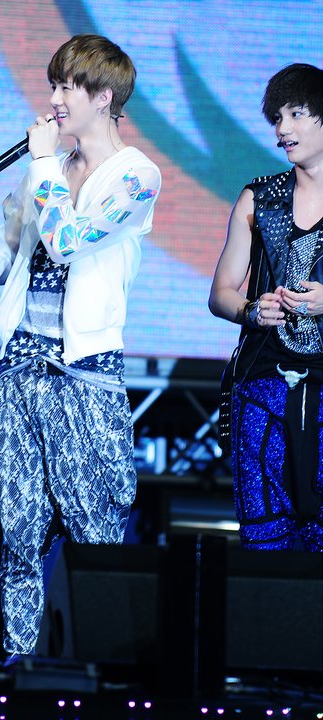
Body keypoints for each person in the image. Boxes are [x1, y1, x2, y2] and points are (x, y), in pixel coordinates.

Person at [0, 33, 161, 663]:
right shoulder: (47, 169)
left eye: (68, 87)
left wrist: (42, 166)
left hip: (83, 372)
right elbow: (4, 266)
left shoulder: (137, 176)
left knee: (94, 526)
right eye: (54, 86)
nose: (55, 99)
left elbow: (67, 242)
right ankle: (20, 661)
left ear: (104, 96)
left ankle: (104, 665)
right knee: (19, 528)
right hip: (22, 366)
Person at [209, 63, 323, 551]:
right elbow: (221, 293)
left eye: (296, 114)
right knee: (263, 541)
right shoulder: (258, 199)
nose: (282, 129)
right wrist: (252, 310)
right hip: (262, 383)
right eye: (277, 117)